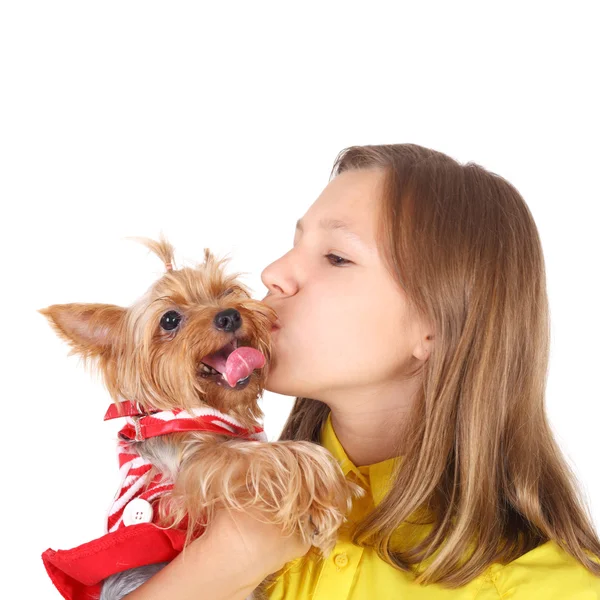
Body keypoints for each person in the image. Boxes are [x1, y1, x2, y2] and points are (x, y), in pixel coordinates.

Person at [124, 143, 600, 599]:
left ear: (436, 325)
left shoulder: (554, 589)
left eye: (336, 257)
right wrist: (219, 567)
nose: (272, 273)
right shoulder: (191, 521)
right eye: (295, 243)